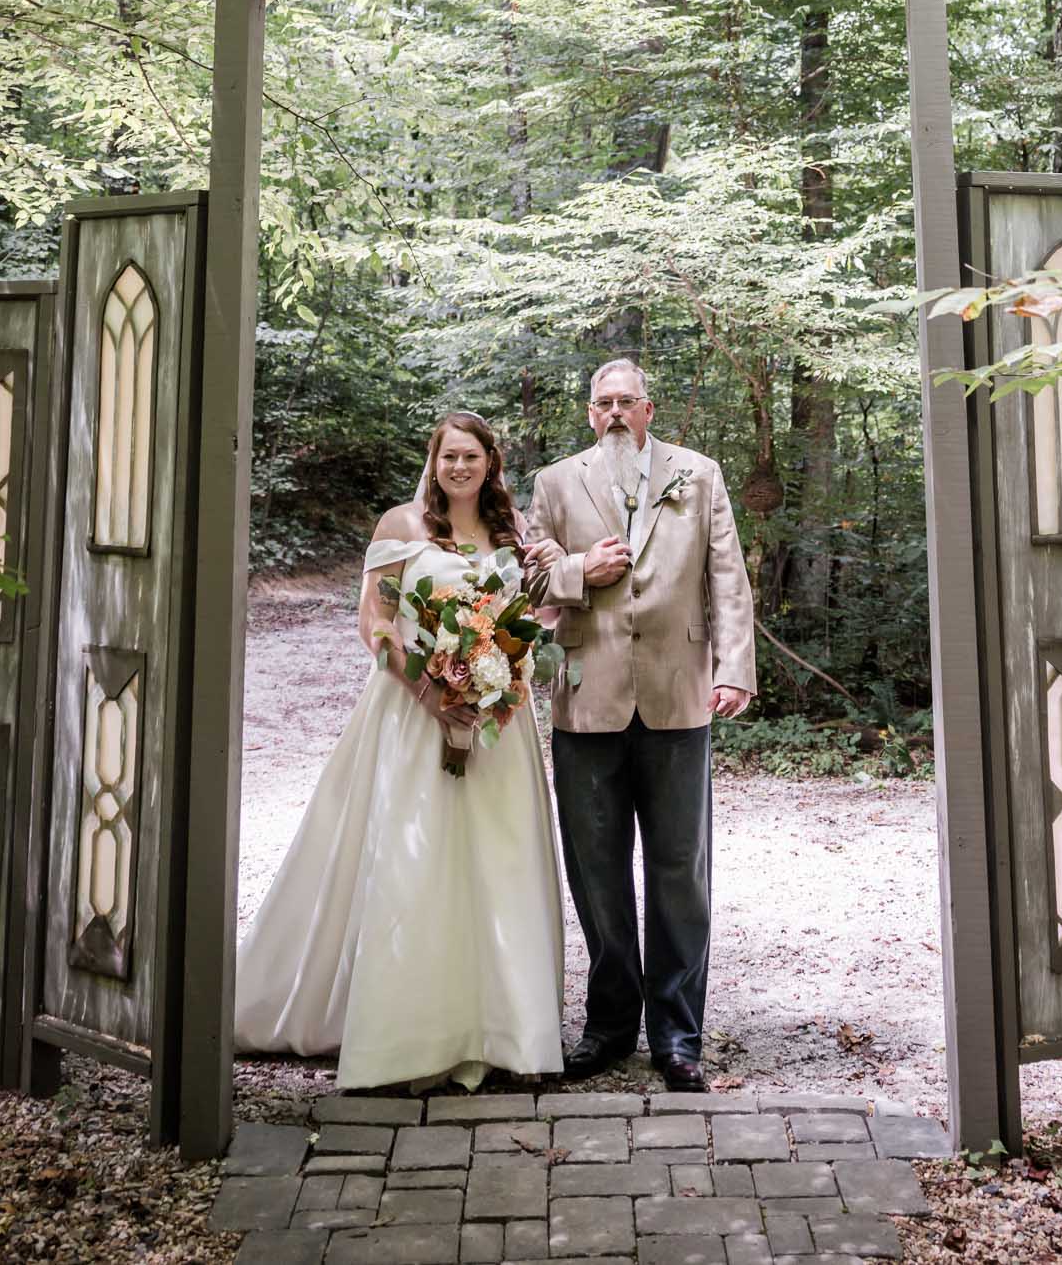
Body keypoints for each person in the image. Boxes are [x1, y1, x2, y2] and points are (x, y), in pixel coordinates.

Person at [233, 411, 564, 1089]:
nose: (460, 468)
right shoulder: (400, 527)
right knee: (419, 861)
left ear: (490, 462)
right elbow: (375, 623)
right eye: (449, 457)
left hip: (500, 721)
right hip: (413, 714)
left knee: (497, 863)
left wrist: (498, 672)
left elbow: (532, 616)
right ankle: (408, 1038)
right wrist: (433, 691)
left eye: (471, 456)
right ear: (433, 461)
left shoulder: (514, 530)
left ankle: (505, 1034)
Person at [526, 358, 755, 1094]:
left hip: (678, 693)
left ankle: (677, 1034)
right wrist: (575, 572)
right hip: (586, 698)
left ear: (648, 409)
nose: (616, 412)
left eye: (627, 401)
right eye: (604, 403)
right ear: (590, 414)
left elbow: (727, 577)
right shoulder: (556, 484)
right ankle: (607, 1026)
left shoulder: (699, 474)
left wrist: (732, 668)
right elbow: (525, 576)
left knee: (679, 871)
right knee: (596, 874)